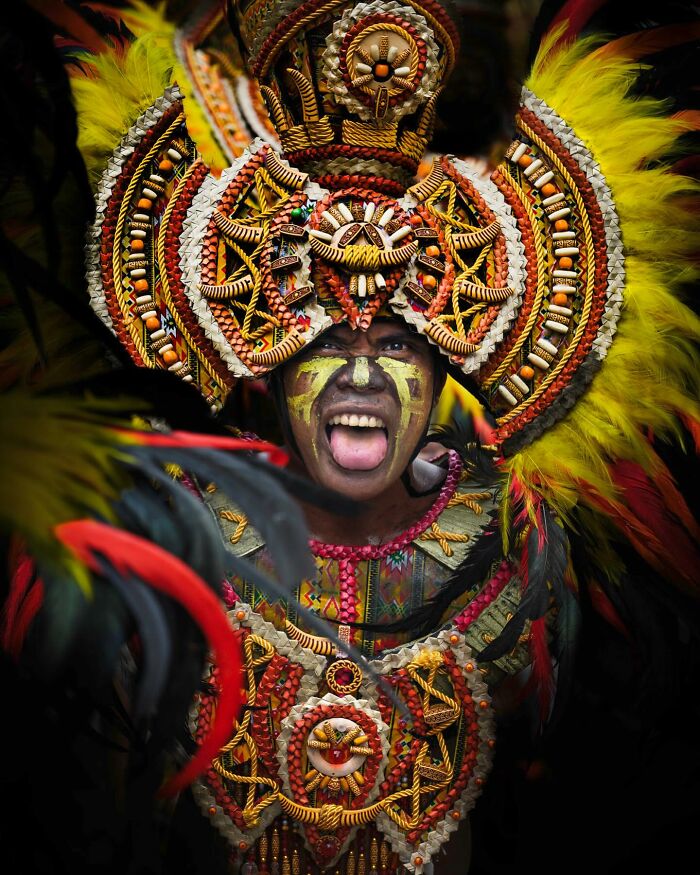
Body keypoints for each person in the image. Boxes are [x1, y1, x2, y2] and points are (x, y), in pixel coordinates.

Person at [2, 1, 699, 874]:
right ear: (263, 359)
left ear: (455, 361)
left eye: (400, 341)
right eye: (325, 337)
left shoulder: (519, 560)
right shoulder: (156, 549)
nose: (363, 370)